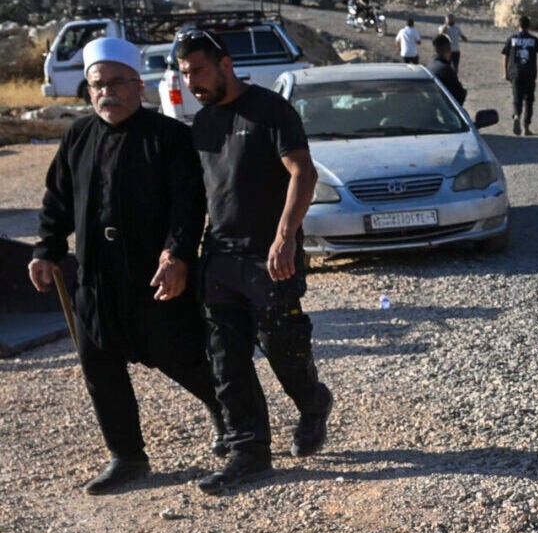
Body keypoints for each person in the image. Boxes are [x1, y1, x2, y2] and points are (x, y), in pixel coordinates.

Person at [30, 40, 227, 493]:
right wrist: (46, 250)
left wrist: (177, 255)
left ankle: (232, 420)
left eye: (116, 83)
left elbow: (187, 204)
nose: (106, 93)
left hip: (155, 274)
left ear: (139, 85)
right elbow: (57, 200)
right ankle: (127, 456)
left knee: (183, 356)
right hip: (94, 277)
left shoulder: (168, 137)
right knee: (99, 366)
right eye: (97, 85)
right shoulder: (78, 136)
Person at [174, 28, 333, 493]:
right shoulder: (201, 124)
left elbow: (303, 172)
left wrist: (285, 237)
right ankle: (249, 451)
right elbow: (197, 198)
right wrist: (177, 252)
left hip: (270, 259)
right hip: (219, 260)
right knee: (226, 360)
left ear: (225, 64)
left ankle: (312, 402)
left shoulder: (269, 110)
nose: (192, 82)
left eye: (199, 70)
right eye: (185, 74)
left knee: (285, 351)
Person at [502, 15, 538, 136]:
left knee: (517, 98)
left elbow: (505, 55)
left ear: (518, 25)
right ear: (529, 26)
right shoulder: (534, 40)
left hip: (515, 73)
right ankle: (526, 126)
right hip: (530, 74)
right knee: (529, 100)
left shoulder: (511, 39)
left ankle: (517, 115)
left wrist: (505, 72)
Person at [428, 33, 467, 106]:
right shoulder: (446, 70)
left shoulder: (428, 68)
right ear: (449, 50)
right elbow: (459, 96)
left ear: (434, 50)